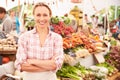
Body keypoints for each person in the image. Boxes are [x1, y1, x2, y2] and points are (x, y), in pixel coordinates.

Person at [14, 2, 64, 80]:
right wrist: (48, 65)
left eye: (45, 15)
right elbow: (21, 65)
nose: (41, 19)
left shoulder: (57, 38)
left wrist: (32, 61)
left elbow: (56, 65)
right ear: (33, 16)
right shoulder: (24, 37)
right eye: (38, 15)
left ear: (50, 16)